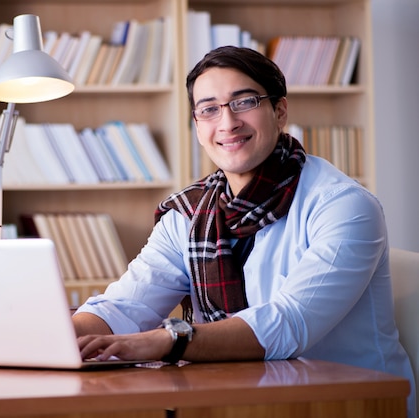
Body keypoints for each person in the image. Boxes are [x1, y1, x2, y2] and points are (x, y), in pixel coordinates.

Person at [72, 46, 416, 416]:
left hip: (350, 404)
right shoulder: (190, 214)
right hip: (235, 398)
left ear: (279, 111)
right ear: (197, 125)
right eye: (208, 109)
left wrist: (165, 341)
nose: (227, 122)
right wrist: (59, 336)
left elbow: (288, 324)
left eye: (244, 101)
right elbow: (125, 306)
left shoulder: (343, 205)